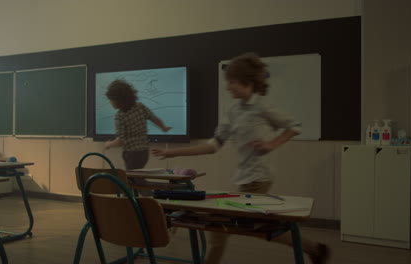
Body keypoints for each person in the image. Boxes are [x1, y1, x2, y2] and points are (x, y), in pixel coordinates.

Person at [152, 53, 329, 264]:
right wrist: (172, 152)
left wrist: (271, 144)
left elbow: (294, 126)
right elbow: (213, 146)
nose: (228, 87)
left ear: (246, 81)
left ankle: (312, 248)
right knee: (247, 227)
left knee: (225, 227)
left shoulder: (262, 108)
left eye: (231, 82)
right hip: (244, 179)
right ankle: (314, 248)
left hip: (258, 179)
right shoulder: (233, 111)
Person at [104, 79, 171, 174]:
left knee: (133, 180)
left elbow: (121, 141)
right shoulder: (140, 106)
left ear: (119, 100)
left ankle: (143, 189)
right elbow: (155, 119)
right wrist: (163, 127)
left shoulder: (119, 116)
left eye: (111, 99)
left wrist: (108, 144)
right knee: (139, 177)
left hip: (131, 154)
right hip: (144, 152)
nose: (110, 102)